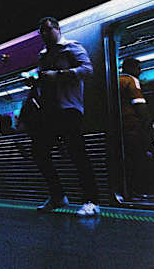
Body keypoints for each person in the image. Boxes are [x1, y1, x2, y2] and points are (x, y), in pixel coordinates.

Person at [32, 17, 100, 216]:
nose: (44, 34)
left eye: (47, 29)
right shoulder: (43, 55)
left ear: (57, 29)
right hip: (49, 111)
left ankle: (92, 201)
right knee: (39, 151)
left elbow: (87, 69)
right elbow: (41, 76)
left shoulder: (71, 47)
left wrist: (60, 74)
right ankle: (57, 195)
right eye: (41, 31)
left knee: (77, 154)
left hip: (69, 108)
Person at [119, 58, 153, 199]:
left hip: (121, 127)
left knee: (126, 160)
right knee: (137, 159)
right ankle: (137, 190)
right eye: (139, 68)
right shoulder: (131, 80)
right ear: (131, 69)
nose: (140, 71)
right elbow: (139, 105)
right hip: (133, 127)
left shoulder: (116, 81)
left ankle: (127, 191)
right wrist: (149, 124)